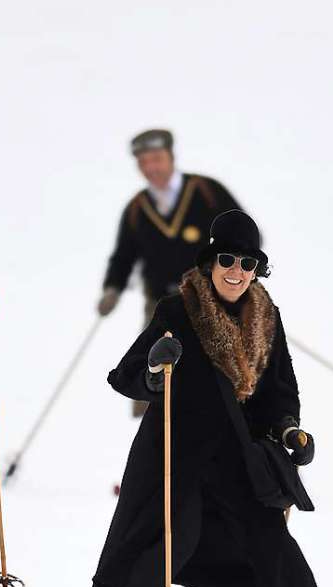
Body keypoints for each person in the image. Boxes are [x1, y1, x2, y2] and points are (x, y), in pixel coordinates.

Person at [78, 210, 333, 587]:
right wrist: (154, 366)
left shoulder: (268, 317)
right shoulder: (178, 309)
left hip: (238, 457)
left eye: (248, 263)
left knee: (269, 536)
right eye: (227, 259)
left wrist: (290, 430)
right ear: (211, 261)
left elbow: (280, 390)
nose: (236, 271)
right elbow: (128, 377)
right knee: (170, 538)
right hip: (178, 452)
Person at [97, 129, 241, 416]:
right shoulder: (137, 209)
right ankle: (155, 429)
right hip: (162, 304)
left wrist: (230, 275)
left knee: (223, 370)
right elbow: (124, 255)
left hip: (211, 300)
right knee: (150, 368)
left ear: (170, 157)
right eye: (144, 162)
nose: (151, 168)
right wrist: (112, 288)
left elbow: (242, 235)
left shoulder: (206, 192)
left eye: (156, 159)